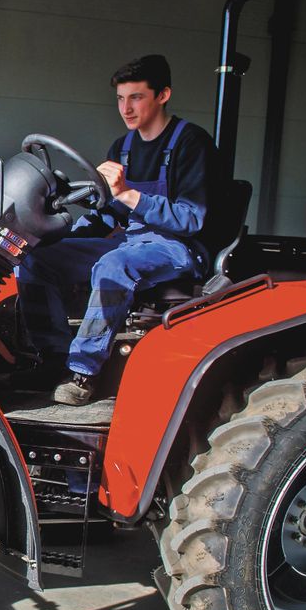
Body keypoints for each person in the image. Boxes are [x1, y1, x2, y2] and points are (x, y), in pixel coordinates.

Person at [16, 54, 218, 406]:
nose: (126, 108)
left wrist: (128, 193)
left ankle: (83, 373)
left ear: (163, 95)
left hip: (177, 246)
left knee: (114, 266)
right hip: (132, 239)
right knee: (37, 259)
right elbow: (110, 214)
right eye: (121, 99)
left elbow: (191, 219)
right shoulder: (122, 147)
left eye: (136, 97)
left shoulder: (191, 143)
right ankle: (53, 359)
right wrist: (62, 232)